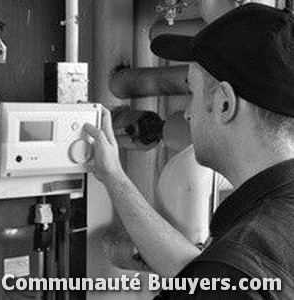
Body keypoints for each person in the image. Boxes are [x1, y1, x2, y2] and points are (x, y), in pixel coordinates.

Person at [84, 3, 294, 299]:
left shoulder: (234, 271)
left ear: (225, 103)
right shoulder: (264, 238)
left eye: (192, 93)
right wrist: (113, 176)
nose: (186, 115)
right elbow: (201, 273)